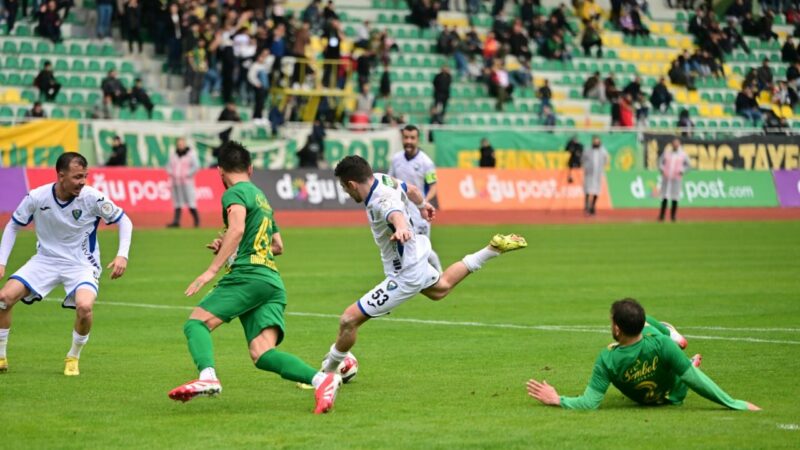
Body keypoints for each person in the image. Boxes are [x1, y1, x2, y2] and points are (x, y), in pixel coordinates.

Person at [167, 141, 342, 414]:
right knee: (262, 354)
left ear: (220, 171)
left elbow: (236, 229)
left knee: (196, 324)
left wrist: (212, 269)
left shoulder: (234, 193)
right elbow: (277, 246)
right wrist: (231, 247)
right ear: (250, 168)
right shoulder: (262, 198)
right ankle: (322, 380)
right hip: (270, 281)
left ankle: (207, 377)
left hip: (247, 276)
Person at [320, 155, 527, 379]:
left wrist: (401, 228)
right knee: (441, 288)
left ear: (352, 184)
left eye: (345, 188)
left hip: (405, 274)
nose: (346, 193)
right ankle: (492, 249)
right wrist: (422, 205)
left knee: (349, 320)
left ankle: (326, 376)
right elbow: (412, 189)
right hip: (415, 256)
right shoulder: (381, 179)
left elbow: (395, 214)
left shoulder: (380, 201)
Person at [0, 152, 132, 376]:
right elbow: (13, 225)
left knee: (85, 307)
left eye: (85, 176)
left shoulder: (92, 197)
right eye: (77, 177)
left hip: (82, 264)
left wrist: (122, 255)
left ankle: (73, 357)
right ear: (61, 176)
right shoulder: (37, 197)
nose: (83, 182)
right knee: (4, 298)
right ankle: (1, 356)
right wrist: (2, 261)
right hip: (45, 260)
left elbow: (124, 221)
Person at [527, 298, 761, 411]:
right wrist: (735, 403)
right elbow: (695, 380)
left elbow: (589, 403)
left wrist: (557, 399)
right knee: (680, 365)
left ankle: (672, 336)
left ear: (617, 329)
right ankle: (671, 335)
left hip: (648, 398)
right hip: (674, 394)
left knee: (668, 352)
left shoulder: (607, 359)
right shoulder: (660, 344)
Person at [388, 125, 442, 272]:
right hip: (400, 211)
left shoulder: (426, 162)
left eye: (412, 138)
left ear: (418, 139)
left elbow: (433, 186)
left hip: (419, 213)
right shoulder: (396, 159)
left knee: (422, 249)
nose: (409, 141)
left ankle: (440, 274)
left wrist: (423, 204)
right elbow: (391, 180)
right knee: (404, 247)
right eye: (406, 137)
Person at [165, 138, 200, 228]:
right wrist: (172, 173)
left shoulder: (190, 154)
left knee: (190, 201)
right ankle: (176, 221)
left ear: (185, 144)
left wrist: (187, 174)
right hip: (176, 182)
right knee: (177, 202)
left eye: (182, 144)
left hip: (187, 182)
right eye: (179, 144)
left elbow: (196, 166)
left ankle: (197, 221)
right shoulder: (174, 155)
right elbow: (168, 166)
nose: (180, 146)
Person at [658, 137, 690, 222]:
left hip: (676, 178)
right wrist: (662, 169)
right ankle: (662, 215)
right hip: (666, 178)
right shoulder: (667, 153)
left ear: (679, 144)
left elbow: (688, 165)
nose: (675, 145)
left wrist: (682, 171)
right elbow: (660, 162)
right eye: (674, 143)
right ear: (672, 144)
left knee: (675, 197)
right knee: (664, 196)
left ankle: (673, 216)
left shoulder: (683, 154)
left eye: (677, 143)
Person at [581, 136, 609, 216]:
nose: (596, 143)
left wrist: (603, 166)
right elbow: (583, 159)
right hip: (589, 174)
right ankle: (587, 206)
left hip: (598, 174)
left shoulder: (603, 151)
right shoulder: (588, 150)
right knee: (587, 190)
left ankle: (592, 206)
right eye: (595, 141)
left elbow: (606, 159)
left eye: (597, 142)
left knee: (597, 190)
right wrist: (586, 167)